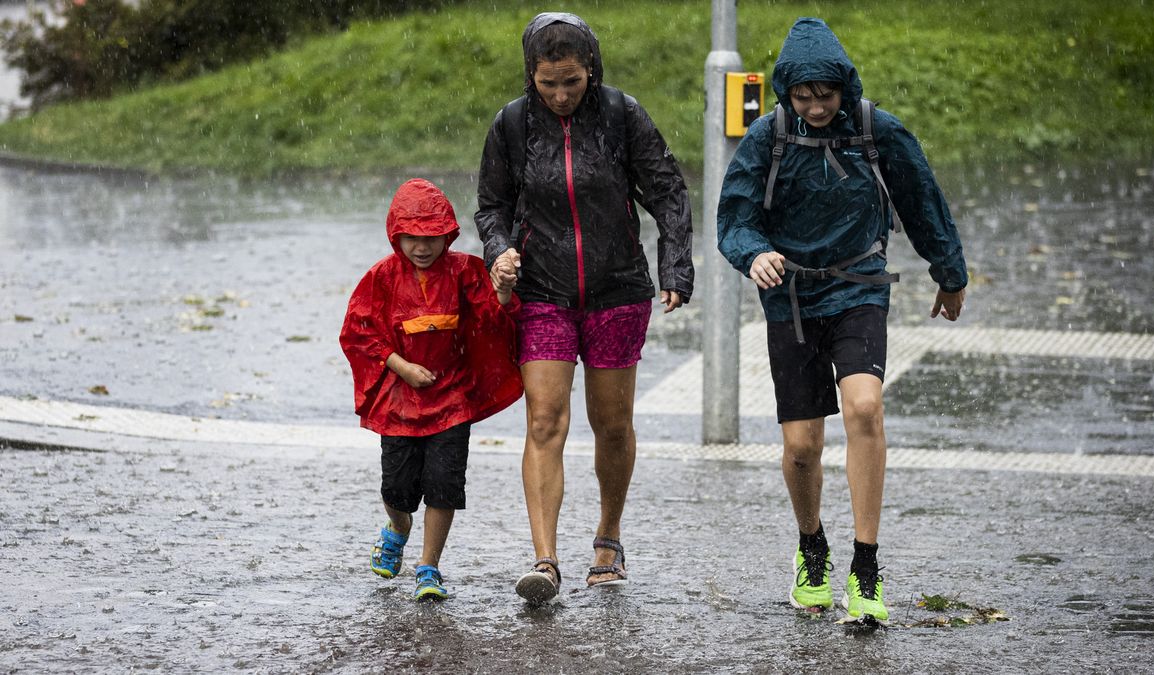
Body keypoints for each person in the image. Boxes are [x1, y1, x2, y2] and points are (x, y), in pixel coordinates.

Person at [717, 17, 968, 623]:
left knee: (863, 407)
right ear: (786, 94)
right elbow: (733, 218)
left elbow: (921, 198)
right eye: (802, 97)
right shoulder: (766, 136)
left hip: (860, 290)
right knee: (802, 447)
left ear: (844, 87)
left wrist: (949, 272)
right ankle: (812, 549)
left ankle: (866, 566)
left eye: (824, 95)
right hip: (792, 300)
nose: (815, 106)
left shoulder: (875, 130)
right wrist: (756, 254)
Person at [474, 12, 693, 603]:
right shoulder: (513, 125)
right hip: (542, 292)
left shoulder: (622, 116)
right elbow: (491, 206)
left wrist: (676, 267)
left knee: (612, 423)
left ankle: (608, 537)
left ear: (590, 69)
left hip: (617, 290)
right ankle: (544, 561)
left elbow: (669, 193)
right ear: (531, 76)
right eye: (548, 83)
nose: (561, 95)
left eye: (571, 81)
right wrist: (499, 251)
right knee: (545, 420)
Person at [340, 178, 523, 602]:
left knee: (445, 484)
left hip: (451, 399)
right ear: (396, 235)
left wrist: (503, 292)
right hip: (399, 403)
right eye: (412, 238)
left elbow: (490, 323)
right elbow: (358, 330)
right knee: (397, 488)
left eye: (432, 238)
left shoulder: (464, 272)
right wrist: (401, 367)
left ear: (448, 235)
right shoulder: (382, 277)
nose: (422, 248)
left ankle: (429, 566)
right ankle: (399, 527)